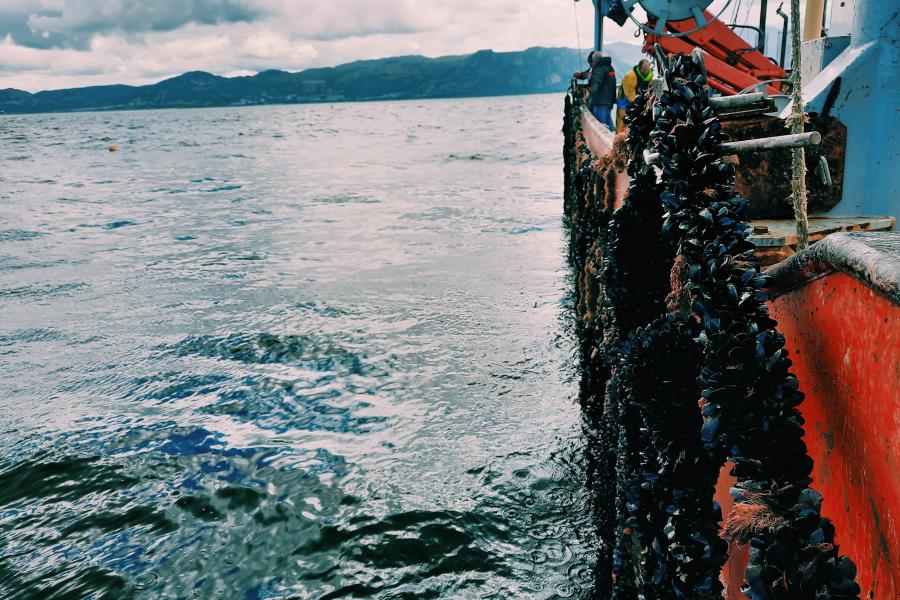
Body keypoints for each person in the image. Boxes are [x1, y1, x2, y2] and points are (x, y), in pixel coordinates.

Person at [616, 59, 654, 132]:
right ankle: (619, 137)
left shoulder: (650, 75)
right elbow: (629, 93)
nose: (646, 71)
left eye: (647, 69)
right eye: (644, 69)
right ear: (640, 68)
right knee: (622, 120)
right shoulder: (630, 76)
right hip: (625, 99)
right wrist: (637, 103)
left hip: (638, 98)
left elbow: (650, 88)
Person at [587, 52, 616, 130]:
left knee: (602, 125)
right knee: (608, 122)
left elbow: (596, 84)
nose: (591, 64)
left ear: (594, 61)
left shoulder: (599, 69)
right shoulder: (610, 68)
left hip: (600, 101)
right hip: (609, 101)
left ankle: (607, 141)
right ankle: (614, 139)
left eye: (592, 62)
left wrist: (589, 91)